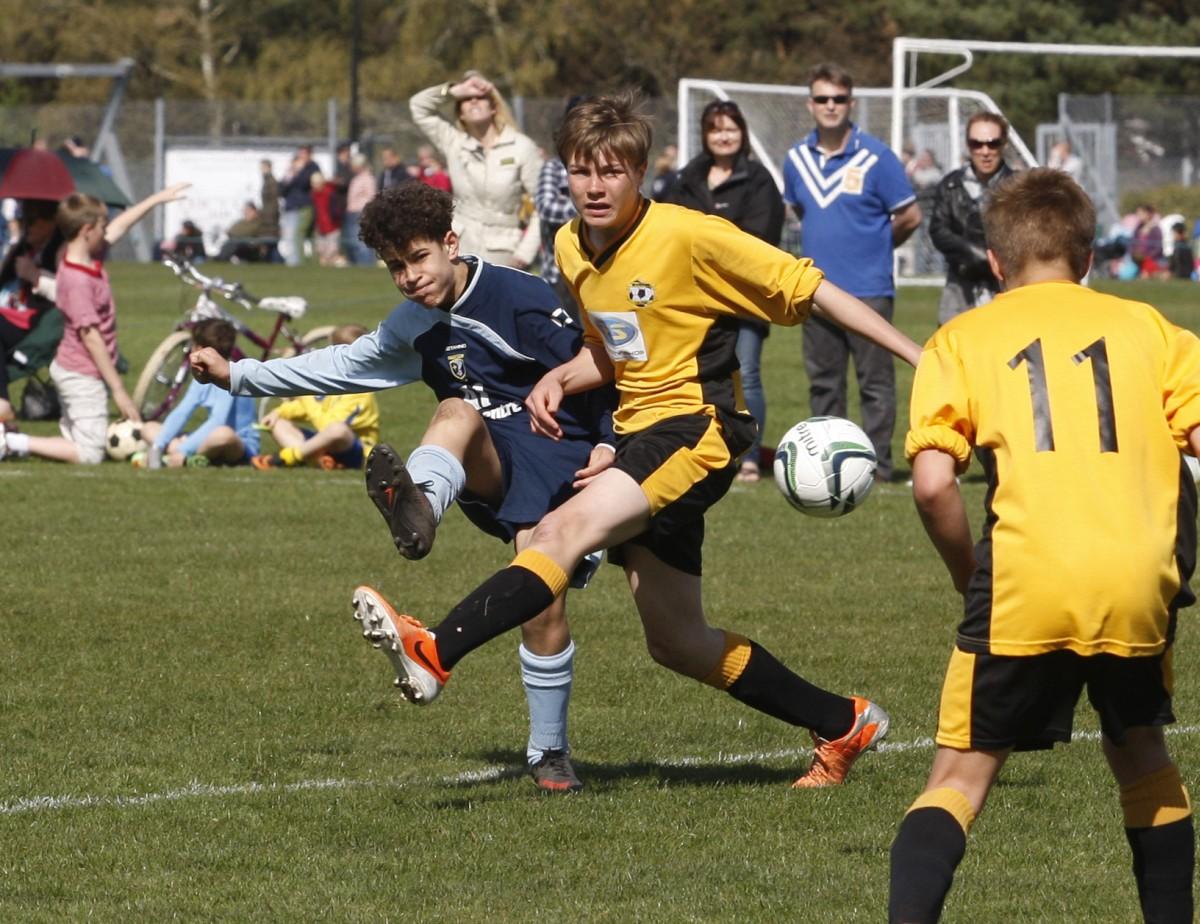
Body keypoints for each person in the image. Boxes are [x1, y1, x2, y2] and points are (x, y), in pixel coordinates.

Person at [335, 92, 923, 788]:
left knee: (555, 535)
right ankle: (843, 720)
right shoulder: (569, 247)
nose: (594, 186)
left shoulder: (687, 234)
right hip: (640, 432)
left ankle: (435, 651)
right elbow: (614, 348)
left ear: (639, 172)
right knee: (678, 641)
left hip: (697, 425)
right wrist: (563, 376)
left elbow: (814, 288)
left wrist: (922, 357)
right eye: (582, 170)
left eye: (611, 171)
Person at [189, 181, 617, 793]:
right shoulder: (414, 325)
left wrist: (607, 444)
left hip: (563, 456)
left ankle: (549, 752)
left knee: (548, 604)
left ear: (450, 243)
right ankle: (418, 506)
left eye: (418, 259)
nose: (410, 277)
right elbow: (340, 364)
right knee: (455, 411)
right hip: (490, 456)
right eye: (396, 267)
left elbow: (603, 369)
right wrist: (239, 374)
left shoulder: (518, 298)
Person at [889, 168, 1198, 923]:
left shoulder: (960, 338)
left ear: (994, 263)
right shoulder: (1155, 331)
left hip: (1026, 582)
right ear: (1089, 256)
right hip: (1137, 580)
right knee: (1144, 762)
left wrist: (971, 577)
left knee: (957, 781)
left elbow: (932, 485)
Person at [783, 62, 922, 482]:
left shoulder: (878, 156)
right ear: (810, 104)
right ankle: (828, 465)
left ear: (852, 102)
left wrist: (877, 246)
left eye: (838, 98)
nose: (830, 106)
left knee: (875, 382)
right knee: (824, 382)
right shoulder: (795, 160)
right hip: (815, 289)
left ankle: (878, 466)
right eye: (822, 98)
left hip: (869, 287)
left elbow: (910, 216)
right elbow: (800, 211)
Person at [0, 184, 188, 464]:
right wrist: (119, 391)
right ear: (87, 230)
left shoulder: (83, 255)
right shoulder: (77, 280)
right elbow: (91, 338)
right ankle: (11, 441)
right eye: (102, 225)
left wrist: (157, 199)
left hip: (74, 368)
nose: (106, 230)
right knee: (90, 453)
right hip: (81, 373)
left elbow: (121, 226)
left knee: (79, 440)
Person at [662, 98, 784, 483]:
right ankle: (702, 451)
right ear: (705, 135)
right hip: (693, 300)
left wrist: (712, 255)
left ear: (742, 133)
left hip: (743, 298)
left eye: (731, 128)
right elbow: (669, 232)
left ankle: (749, 458)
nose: (724, 136)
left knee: (746, 374)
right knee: (695, 376)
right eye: (716, 129)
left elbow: (760, 239)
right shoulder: (686, 179)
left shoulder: (759, 180)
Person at [409, 72, 542, 269]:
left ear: (494, 108)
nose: (473, 101)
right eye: (466, 99)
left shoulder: (522, 147)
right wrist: (454, 90)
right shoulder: (454, 142)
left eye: (480, 98)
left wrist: (526, 252)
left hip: (505, 248)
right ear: (460, 112)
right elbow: (418, 107)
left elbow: (542, 203)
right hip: (461, 245)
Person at [251, 324, 380, 471]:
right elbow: (306, 407)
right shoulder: (332, 378)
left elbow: (330, 426)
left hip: (355, 452)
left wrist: (306, 398)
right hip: (323, 445)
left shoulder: (362, 391)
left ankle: (286, 458)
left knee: (338, 430)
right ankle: (319, 460)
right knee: (277, 424)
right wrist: (279, 413)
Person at [928, 112, 1015, 325]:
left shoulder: (1018, 188)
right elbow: (938, 229)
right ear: (968, 145)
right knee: (951, 346)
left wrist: (994, 259)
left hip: (1006, 285)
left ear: (1004, 144)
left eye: (993, 144)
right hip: (960, 281)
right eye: (977, 144)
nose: (985, 152)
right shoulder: (950, 185)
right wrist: (968, 251)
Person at [140, 319, 259, 468]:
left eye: (193, 346)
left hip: (238, 444)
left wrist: (184, 448)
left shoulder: (229, 375)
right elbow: (183, 411)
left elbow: (218, 421)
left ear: (201, 350)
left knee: (222, 434)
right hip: (209, 439)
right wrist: (157, 446)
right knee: (149, 428)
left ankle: (184, 456)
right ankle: (184, 454)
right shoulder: (202, 376)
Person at [0, 199, 63, 422]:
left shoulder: (60, 250)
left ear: (52, 222)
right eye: (24, 219)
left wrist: (35, 275)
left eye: (34, 220)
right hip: (8, 311)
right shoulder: (23, 246)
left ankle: (3, 402)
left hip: (32, 319)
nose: (28, 225)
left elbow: (71, 294)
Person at [279, 145, 320, 267]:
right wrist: (290, 174)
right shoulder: (292, 171)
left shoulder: (312, 167)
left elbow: (304, 183)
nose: (301, 157)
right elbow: (281, 189)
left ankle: (301, 263)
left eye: (304, 154)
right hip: (291, 207)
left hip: (304, 207)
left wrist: (298, 172)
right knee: (292, 236)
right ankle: (295, 261)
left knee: (300, 235)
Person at [342, 153, 378, 266]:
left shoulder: (368, 178)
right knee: (352, 241)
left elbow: (371, 197)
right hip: (352, 213)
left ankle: (365, 264)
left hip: (361, 212)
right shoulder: (356, 178)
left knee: (361, 242)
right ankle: (356, 263)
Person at [309, 173, 343, 267]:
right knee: (322, 252)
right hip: (320, 227)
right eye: (313, 183)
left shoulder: (330, 193)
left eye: (316, 183)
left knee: (331, 253)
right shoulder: (313, 195)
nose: (314, 185)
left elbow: (336, 211)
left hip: (332, 227)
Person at [1129, 203, 1166, 278]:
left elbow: (1158, 248)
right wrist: (1133, 254)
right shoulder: (1138, 228)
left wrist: (1146, 257)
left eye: (1140, 213)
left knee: (1146, 273)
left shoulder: (1156, 229)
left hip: (1152, 260)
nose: (1138, 215)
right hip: (1137, 260)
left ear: (1148, 214)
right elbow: (1132, 244)